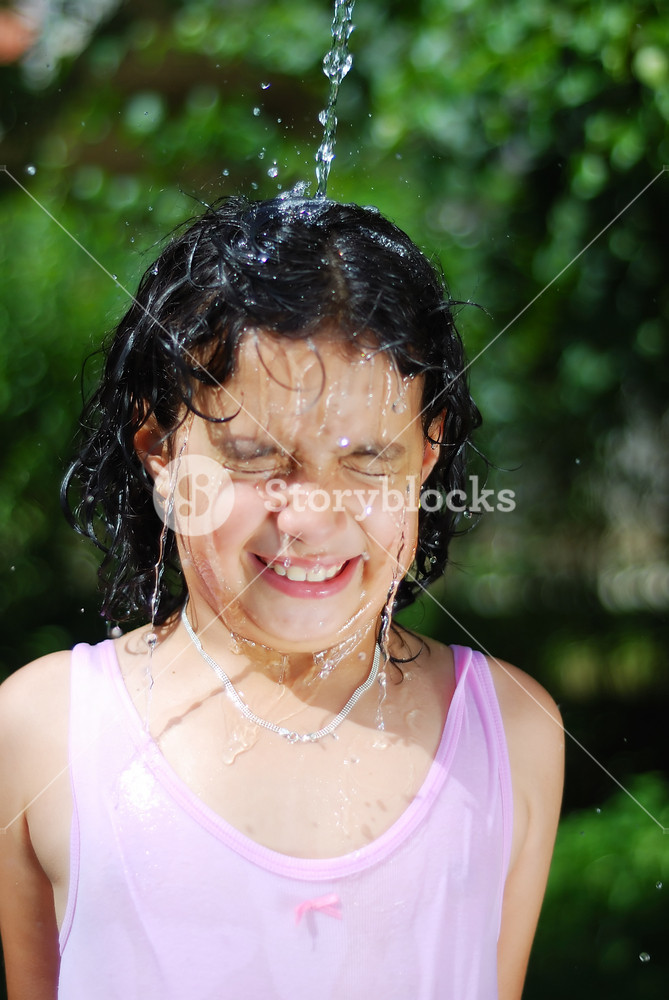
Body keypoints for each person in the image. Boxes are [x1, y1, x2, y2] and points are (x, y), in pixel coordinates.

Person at [0, 194, 563, 999]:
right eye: (255, 457)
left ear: (428, 452)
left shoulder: (509, 735)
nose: (307, 515)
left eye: (367, 459)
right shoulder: (44, 733)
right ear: (159, 449)